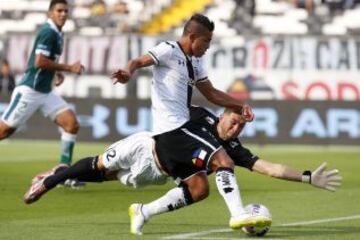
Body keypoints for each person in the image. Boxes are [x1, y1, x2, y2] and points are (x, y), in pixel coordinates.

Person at [23, 106, 342, 235]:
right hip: (145, 145)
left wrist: (308, 176)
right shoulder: (199, 116)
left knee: (199, 188)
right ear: (221, 115)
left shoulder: (230, 150)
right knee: (96, 166)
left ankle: (143, 211)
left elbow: (269, 167)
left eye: (240, 126)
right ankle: (52, 179)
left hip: (157, 173)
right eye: (233, 121)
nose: (234, 129)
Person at [110, 13, 258, 233]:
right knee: (223, 160)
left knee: (198, 189)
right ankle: (239, 215)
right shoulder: (168, 50)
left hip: (180, 129)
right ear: (192, 36)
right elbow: (139, 61)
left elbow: (211, 94)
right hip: (173, 129)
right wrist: (127, 72)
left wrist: (239, 105)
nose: (208, 46)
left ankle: (144, 211)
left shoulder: (195, 62)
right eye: (206, 40)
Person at [0, 0, 85, 188]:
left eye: (65, 11)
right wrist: (68, 67)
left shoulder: (57, 32)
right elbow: (39, 62)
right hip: (30, 90)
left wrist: (56, 73)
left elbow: (48, 61)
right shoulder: (48, 32)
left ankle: (65, 173)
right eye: (59, 10)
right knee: (4, 131)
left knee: (71, 124)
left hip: (45, 92)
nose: (63, 14)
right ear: (50, 13)